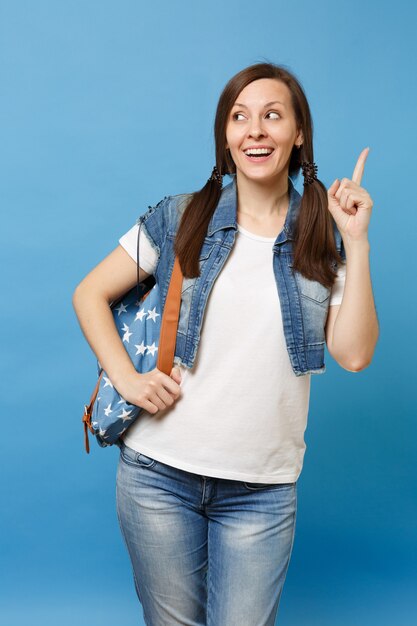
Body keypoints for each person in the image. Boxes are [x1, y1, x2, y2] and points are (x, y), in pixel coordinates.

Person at [72, 62, 379, 625]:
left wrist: (356, 243)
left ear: (298, 132)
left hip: (261, 493)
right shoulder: (180, 218)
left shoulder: (321, 235)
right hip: (158, 477)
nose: (255, 130)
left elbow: (354, 354)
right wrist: (127, 379)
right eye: (240, 118)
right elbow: (89, 293)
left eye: (272, 115)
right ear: (226, 136)